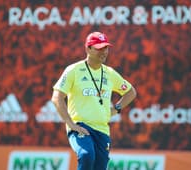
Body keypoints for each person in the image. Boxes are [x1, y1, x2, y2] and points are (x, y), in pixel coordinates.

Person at [51, 31, 137, 170]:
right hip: (81, 127)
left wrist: (116, 109)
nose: (103, 52)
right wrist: (71, 124)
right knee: (86, 155)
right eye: (99, 48)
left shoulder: (109, 73)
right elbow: (57, 97)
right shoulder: (73, 70)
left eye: (106, 48)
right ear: (88, 49)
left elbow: (130, 92)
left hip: (102, 130)